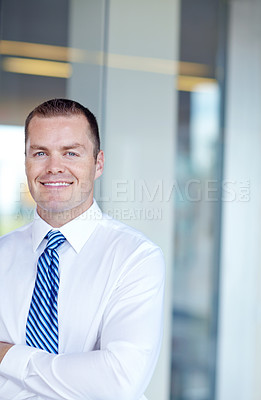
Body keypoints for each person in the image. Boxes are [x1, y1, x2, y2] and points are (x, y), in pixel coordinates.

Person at [0, 99, 165, 400]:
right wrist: (83, 375)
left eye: (71, 153)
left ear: (98, 163)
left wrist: (8, 357)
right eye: (40, 153)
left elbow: (118, 381)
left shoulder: (136, 258)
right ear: (25, 162)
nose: (54, 168)